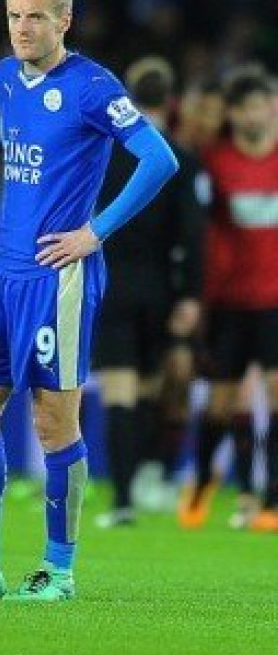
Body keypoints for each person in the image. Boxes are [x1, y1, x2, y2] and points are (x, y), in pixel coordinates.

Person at [0, 0, 178, 602]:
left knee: (55, 422)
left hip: (60, 278)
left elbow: (159, 158)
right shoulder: (2, 79)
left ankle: (59, 571)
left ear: (64, 21)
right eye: (14, 16)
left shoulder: (92, 86)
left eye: (36, 17)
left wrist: (96, 230)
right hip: (4, 276)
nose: (23, 29)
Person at [92, 56, 204, 528]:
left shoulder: (101, 152)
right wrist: (190, 296)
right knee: (152, 391)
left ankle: (122, 502)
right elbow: (193, 234)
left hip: (109, 283)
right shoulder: (180, 158)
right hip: (160, 289)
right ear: (171, 100)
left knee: (119, 394)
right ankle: (148, 477)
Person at [179, 71, 278, 533]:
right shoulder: (214, 163)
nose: (257, 114)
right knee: (222, 403)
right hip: (228, 302)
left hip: (274, 302)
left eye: (265, 105)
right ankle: (202, 481)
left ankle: (267, 499)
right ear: (235, 114)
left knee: (275, 396)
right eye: (248, 107)